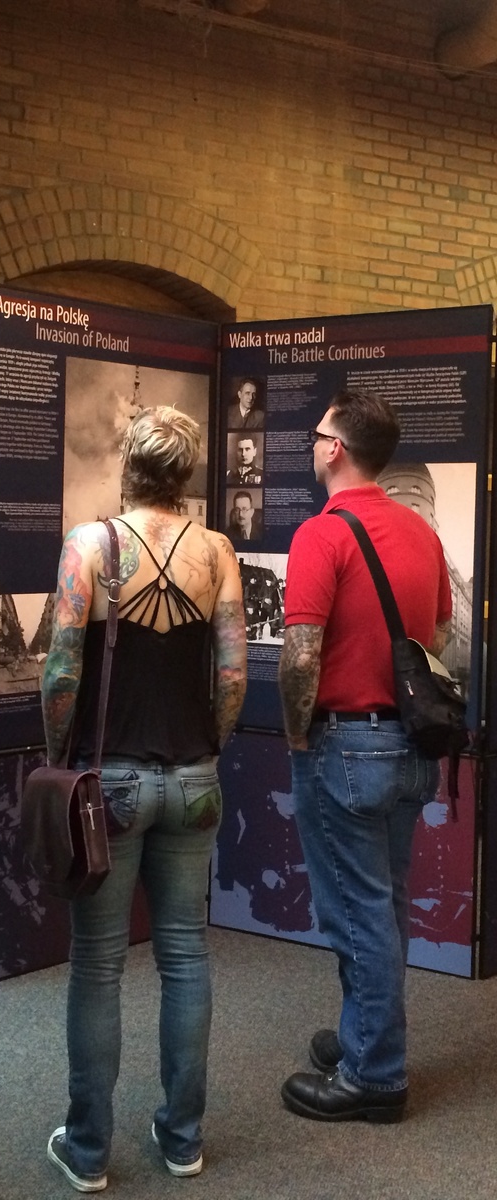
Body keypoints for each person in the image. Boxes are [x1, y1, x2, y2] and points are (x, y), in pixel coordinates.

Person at [41, 406, 247, 1191]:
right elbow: (232, 675)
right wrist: (208, 744)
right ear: (185, 472)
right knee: (186, 956)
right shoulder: (216, 551)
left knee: (98, 967)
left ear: (129, 464)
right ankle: (183, 1139)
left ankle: (89, 1150)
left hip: (111, 782)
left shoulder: (90, 546)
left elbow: (62, 668)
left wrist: (60, 756)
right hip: (194, 778)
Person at [277, 390, 451, 1124]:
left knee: (357, 913)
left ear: (336, 449)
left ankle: (374, 1076)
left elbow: (299, 655)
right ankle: (362, 1036)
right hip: (410, 747)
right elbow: (438, 637)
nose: (313, 443)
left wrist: (296, 735)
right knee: (384, 903)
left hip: (345, 746)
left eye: (318, 433)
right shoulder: (422, 535)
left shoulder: (323, 534)